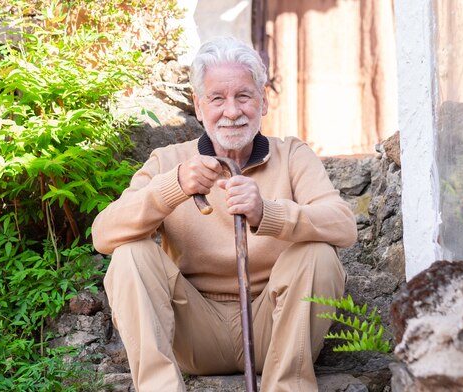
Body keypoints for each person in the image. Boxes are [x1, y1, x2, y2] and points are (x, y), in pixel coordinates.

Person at [92, 37, 357, 392]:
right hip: (194, 331)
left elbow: (342, 225)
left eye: (244, 96)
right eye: (217, 98)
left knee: (319, 253)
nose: (232, 111)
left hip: (274, 328)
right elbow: (104, 234)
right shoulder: (169, 161)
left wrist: (268, 212)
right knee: (130, 254)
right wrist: (173, 187)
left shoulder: (292, 155)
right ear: (199, 107)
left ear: (262, 102)